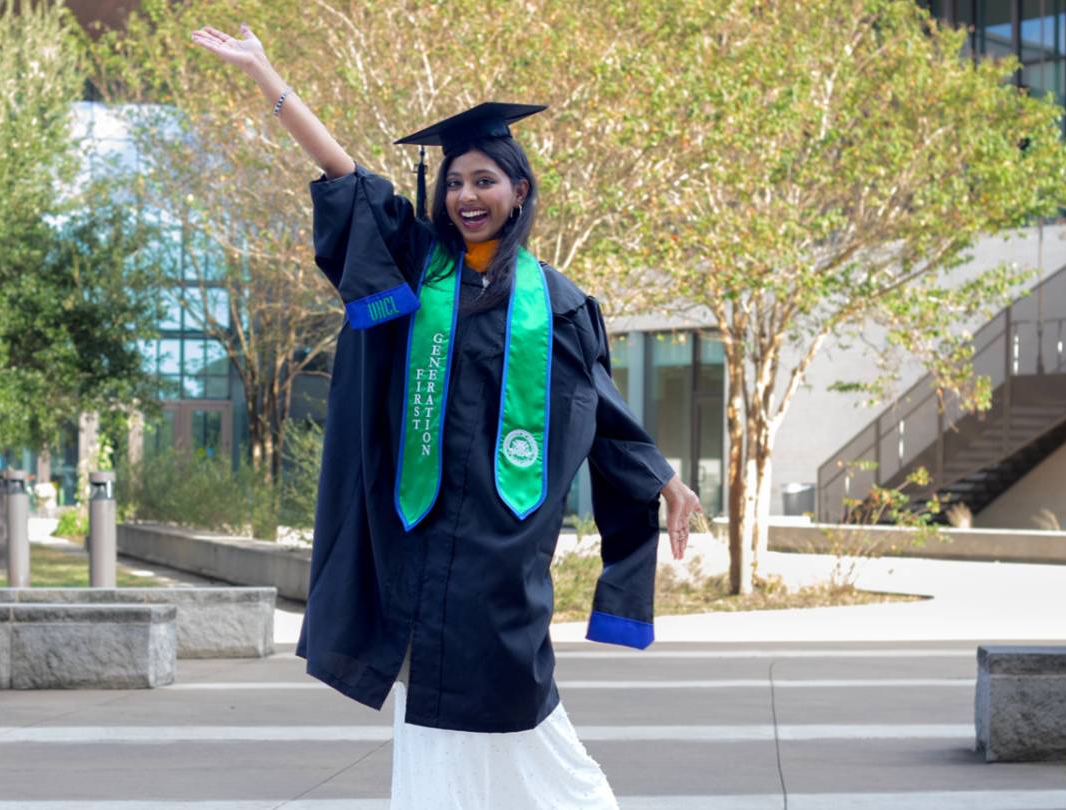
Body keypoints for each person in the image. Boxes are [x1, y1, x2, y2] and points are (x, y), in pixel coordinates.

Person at [191, 22, 704, 810]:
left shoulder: (557, 304)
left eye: (486, 180)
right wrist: (268, 77)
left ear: (520, 191)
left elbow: (600, 408)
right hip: (421, 531)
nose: (467, 195)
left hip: (502, 550)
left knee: (521, 707)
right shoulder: (415, 263)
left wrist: (661, 477)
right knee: (428, 705)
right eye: (456, 181)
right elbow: (343, 173)